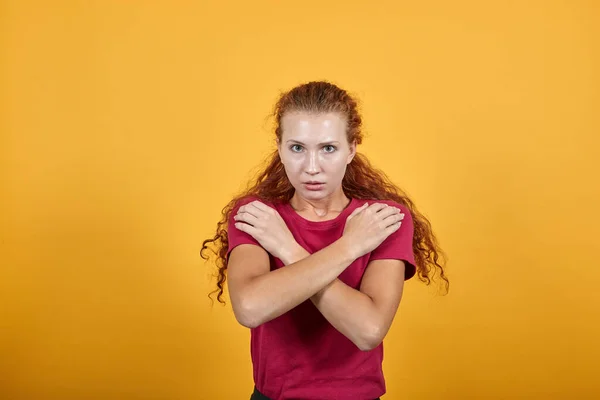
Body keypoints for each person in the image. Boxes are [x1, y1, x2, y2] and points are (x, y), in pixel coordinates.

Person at [201, 81, 449, 400]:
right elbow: (249, 308)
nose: (312, 168)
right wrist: (349, 247)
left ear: (351, 149)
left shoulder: (382, 220)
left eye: (328, 148)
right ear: (279, 147)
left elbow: (367, 330)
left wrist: (286, 248)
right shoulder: (258, 216)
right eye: (297, 148)